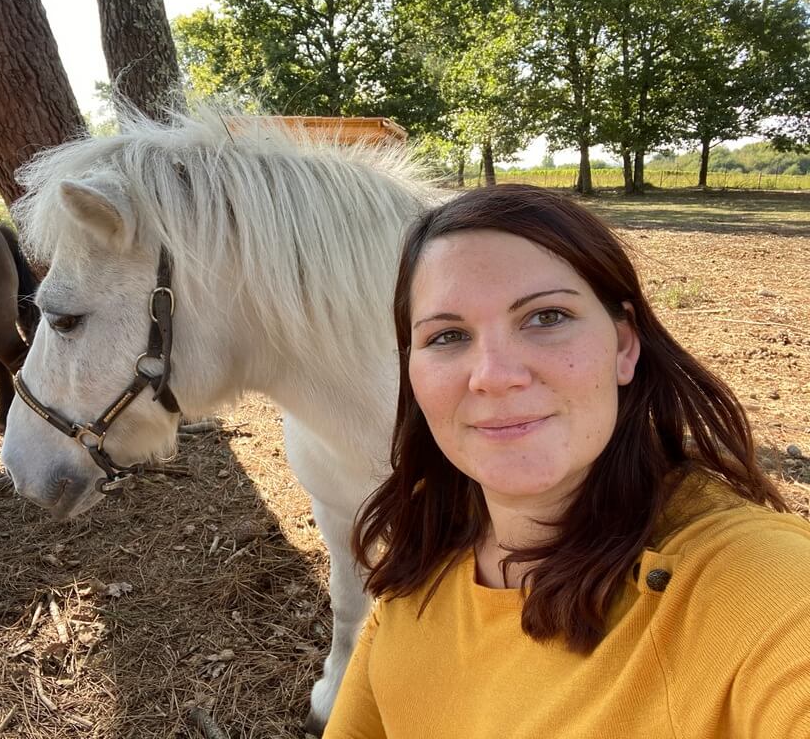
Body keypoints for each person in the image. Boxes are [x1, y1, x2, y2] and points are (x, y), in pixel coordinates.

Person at [323, 184, 810, 738]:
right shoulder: (421, 563)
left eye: (546, 317)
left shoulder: (750, 582)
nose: (494, 375)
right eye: (448, 335)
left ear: (625, 345)